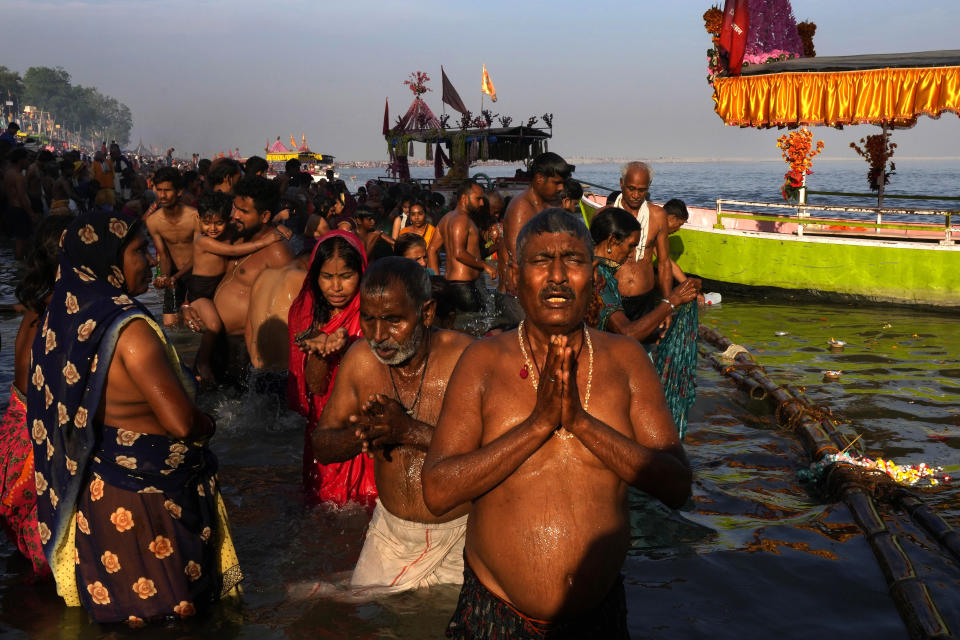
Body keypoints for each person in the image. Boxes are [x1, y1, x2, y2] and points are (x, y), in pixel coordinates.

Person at [422, 208, 692, 638]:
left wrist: (582, 425)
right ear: (513, 274)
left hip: (598, 617)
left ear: (595, 274)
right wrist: (536, 426)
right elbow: (437, 491)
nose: (558, 276)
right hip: (496, 613)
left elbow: (677, 486)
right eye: (540, 260)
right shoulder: (483, 361)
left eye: (573, 259)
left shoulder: (626, 360)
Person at [28, 211, 242, 625]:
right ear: (108, 259)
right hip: (150, 507)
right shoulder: (131, 330)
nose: (151, 260)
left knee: (123, 615)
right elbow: (180, 424)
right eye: (138, 250)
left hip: (102, 495)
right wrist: (209, 424)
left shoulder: (67, 317)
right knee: (170, 617)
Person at [314, 257, 473, 593]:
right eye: (368, 319)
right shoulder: (360, 359)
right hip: (390, 536)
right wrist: (365, 435)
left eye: (394, 320)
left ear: (427, 313)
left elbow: (499, 452)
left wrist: (407, 431)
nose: (379, 335)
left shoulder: (467, 358)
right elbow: (322, 447)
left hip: (464, 533)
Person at [1, 215, 72, 576]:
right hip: (36, 435)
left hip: (15, 428)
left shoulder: (36, 302)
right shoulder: (64, 306)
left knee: (30, 561)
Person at [287, 231, 376, 506]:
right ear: (315, 277)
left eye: (346, 276)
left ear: (361, 273)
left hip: (362, 421)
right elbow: (315, 387)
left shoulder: (374, 313)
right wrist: (321, 352)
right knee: (324, 504)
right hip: (326, 424)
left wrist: (349, 347)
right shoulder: (307, 314)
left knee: (366, 504)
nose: (336, 287)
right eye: (327, 277)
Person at [191, 175, 293, 386]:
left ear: (264, 216)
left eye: (243, 211)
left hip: (241, 353)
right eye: (234, 208)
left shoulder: (276, 252)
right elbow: (200, 274)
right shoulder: (231, 235)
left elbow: (293, 309)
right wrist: (187, 305)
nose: (234, 216)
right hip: (212, 343)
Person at [586, 207, 697, 342]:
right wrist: (672, 300)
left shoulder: (588, 264)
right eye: (631, 246)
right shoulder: (600, 277)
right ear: (611, 242)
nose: (632, 253)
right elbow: (626, 333)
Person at [608, 162, 676, 325]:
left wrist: (666, 307)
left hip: (645, 300)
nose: (636, 195)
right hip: (611, 301)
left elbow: (664, 263)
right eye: (631, 188)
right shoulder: (607, 216)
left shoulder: (658, 216)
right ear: (621, 184)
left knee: (643, 349)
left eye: (642, 190)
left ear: (648, 187)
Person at [500, 152, 572, 291]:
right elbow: (517, 257)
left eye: (563, 183)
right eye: (557, 183)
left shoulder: (555, 203)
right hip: (517, 290)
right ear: (539, 178)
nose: (561, 188)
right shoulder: (521, 207)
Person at [427, 180, 497, 313]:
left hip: (452, 284)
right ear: (464, 198)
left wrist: (436, 280)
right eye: (478, 199)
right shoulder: (461, 220)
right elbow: (458, 253)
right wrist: (484, 265)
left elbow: (431, 250)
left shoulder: (446, 218)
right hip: (464, 286)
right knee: (476, 329)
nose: (482, 203)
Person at [145, 167, 198, 328]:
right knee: (170, 325)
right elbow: (164, 255)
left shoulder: (194, 217)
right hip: (174, 276)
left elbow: (200, 254)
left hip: (197, 275)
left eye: (167, 190)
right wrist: (165, 277)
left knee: (196, 324)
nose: (162, 195)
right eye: (159, 190)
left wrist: (174, 277)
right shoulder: (153, 221)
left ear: (179, 192)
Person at [2, 147, 35, 260]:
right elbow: (22, 197)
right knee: (21, 242)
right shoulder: (18, 176)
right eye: (27, 159)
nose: (29, 162)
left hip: (13, 209)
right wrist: (31, 214)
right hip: (19, 210)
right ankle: (19, 270)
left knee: (21, 240)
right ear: (21, 160)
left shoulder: (8, 172)